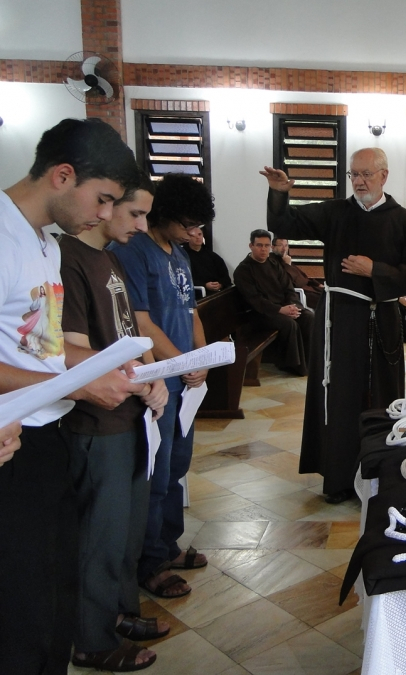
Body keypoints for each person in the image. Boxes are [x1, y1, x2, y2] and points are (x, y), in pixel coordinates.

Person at [0, 118, 146, 675]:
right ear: (63, 176)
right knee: (22, 611)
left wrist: (105, 364)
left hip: (47, 435)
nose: (106, 215)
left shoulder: (46, 243)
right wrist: (79, 385)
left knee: (55, 595)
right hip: (12, 442)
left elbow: (43, 348)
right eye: (103, 199)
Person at [261, 148, 406, 504]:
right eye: (354, 174)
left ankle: (378, 475)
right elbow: (286, 224)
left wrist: (375, 270)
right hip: (340, 319)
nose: (359, 181)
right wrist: (278, 192)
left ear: (384, 176)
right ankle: (338, 479)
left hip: (383, 318)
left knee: (382, 395)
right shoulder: (335, 212)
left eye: (366, 174)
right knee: (340, 394)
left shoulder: (402, 219)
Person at [59, 172, 170, 671]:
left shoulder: (111, 258)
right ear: (104, 204)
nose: (142, 226)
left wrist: (153, 376)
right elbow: (74, 348)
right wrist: (135, 378)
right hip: (96, 421)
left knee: (127, 530)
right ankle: (92, 637)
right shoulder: (69, 258)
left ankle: (120, 612)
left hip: (132, 413)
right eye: (135, 213)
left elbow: (130, 335)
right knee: (100, 535)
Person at [111, 173, 213, 599]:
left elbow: (191, 312)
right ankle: (149, 561)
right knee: (155, 471)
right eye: (188, 225)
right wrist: (182, 362)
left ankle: (168, 544)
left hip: (183, 380)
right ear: (165, 214)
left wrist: (202, 358)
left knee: (177, 467)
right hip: (157, 379)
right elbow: (141, 321)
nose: (193, 234)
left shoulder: (179, 254)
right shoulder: (134, 251)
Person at [233, 229, 315, 376]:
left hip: (282, 308)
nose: (263, 249)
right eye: (259, 245)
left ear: (271, 246)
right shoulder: (243, 270)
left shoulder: (274, 264)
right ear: (251, 246)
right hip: (259, 313)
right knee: (289, 324)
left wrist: (293, 307)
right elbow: (255, 300)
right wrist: (280, 310)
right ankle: (292, 365)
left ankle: (309, 363)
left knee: (308, 317)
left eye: (267, 245)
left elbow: (288, 288)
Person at [272, 236, 323, 309]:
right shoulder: (273, 262)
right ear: (273, 247)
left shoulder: (285, 259)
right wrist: (287, 265)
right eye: (280, 245)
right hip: (299, 293)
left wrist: (317, 284)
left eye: (286, 245)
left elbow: (303, 276)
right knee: (324, 300)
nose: (284, 249)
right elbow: (287, 282)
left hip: (309, 287)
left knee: (330, 294)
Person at [182, 224, 231, 297]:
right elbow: (184, 279)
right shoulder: (182, 256)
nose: (197, 237)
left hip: (217, 293)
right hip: (196, 294)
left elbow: (225, 276)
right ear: (187, 238)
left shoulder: (212, 256)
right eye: (193, 236)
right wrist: (204, 285)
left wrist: (220, 284)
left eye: (199, 234)